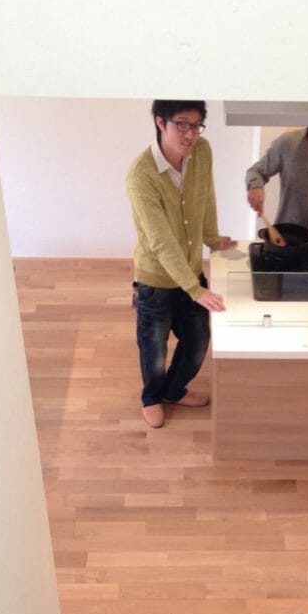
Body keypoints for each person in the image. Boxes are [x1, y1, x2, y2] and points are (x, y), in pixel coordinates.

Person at [126, 100, 235, 429]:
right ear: (161, 122)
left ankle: (173, 391)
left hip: (190, 272)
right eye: (182, 124)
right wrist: (194, 288)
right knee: (154, 348)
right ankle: (151, 398)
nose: (190, 134)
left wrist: (212, 238)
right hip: (155, 280)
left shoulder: (202, 151)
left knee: (198, 340)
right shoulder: (141, 175)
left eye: (197, 125)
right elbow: (160, 240)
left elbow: (206, 197)